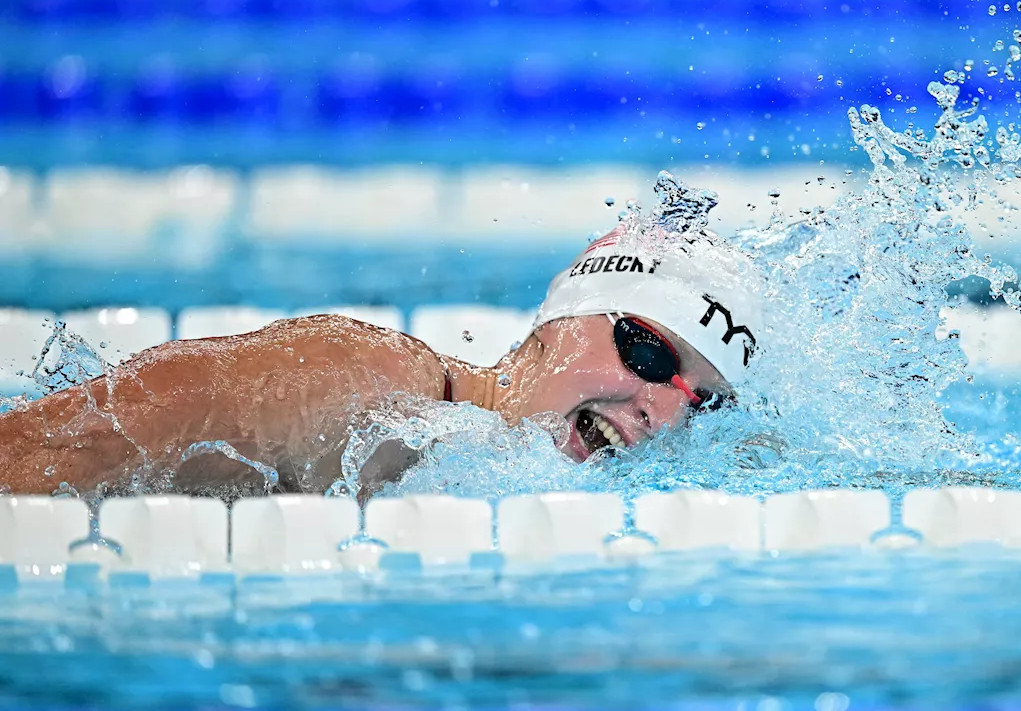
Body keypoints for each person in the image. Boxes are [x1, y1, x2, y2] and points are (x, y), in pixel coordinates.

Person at [0, 226, 761, 497]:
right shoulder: (353, 382)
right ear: (561, 321)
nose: (659, 412)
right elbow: (39, 451)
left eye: (703, 400)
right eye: (648, 351)